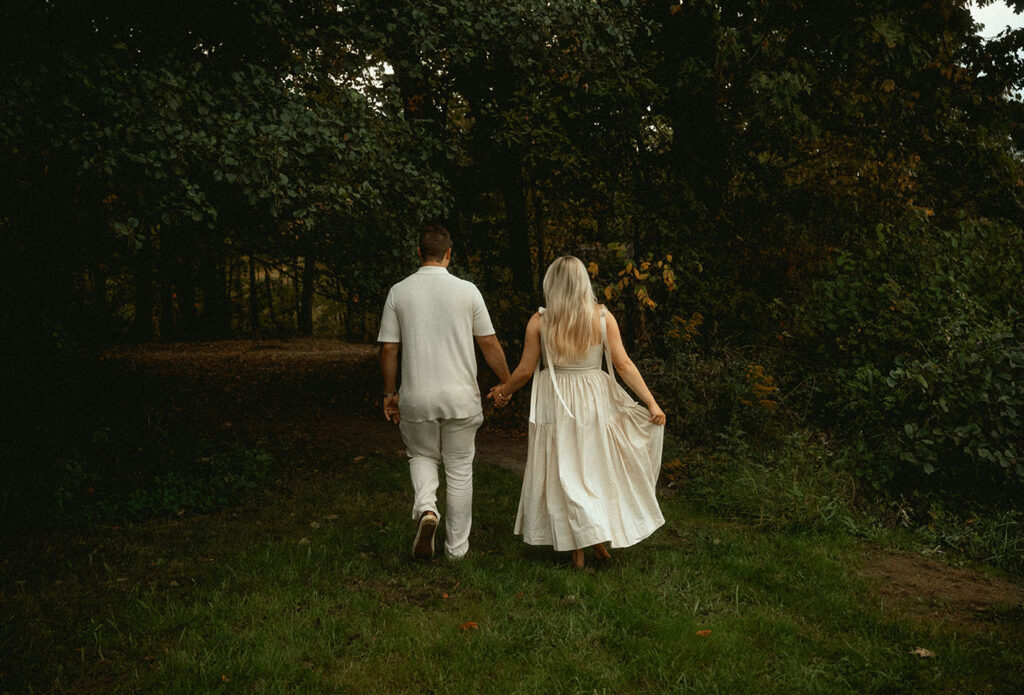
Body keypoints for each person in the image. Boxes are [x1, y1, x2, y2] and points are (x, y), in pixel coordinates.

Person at [490, 255, 666, 569]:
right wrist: (650, 402)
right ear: (584, 282)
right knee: (592, 465)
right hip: (594, 398)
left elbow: (525, 371)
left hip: (555, 398)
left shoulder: (541, 321)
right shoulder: (602, 317)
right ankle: (590, 539)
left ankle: (580, 545)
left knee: (563, 466)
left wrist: (503, 392)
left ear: (551, 285)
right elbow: (624, 365)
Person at [378, 225, 511, 560]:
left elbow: (389, 349)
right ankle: (456, 551)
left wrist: (389, 393)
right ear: (449, 254)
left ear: (418, 253)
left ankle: (427, 509)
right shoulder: (468, 292)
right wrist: (507, 382)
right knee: (460, 469)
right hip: (461, 398)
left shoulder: (399, 292)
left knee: (421, 455)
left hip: (417, 396)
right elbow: (489, 343)